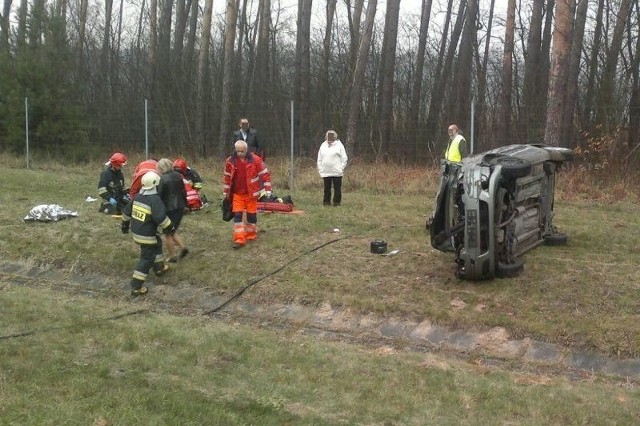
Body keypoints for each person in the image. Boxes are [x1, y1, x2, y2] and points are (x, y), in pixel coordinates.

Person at [121, 171, 175, 297]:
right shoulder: (154, 200)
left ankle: (159, 268)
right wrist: (170, 228)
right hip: (146, 235)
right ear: (155, 185)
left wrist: (124, 226)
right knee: (146, 259)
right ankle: (136, 286)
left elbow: (126, 213)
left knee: (157, 243)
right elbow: (161, 218)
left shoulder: (138, 197)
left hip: (138, 232)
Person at [223, 140, 272, 249]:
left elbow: (265, 174)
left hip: (251, 194)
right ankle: (239, 239)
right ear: (235, 150)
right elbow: (227, 177)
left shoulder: (256, 160)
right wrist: (226, 192)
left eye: (242, 151)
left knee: (251, 216)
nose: (240, 153)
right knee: (238, 216)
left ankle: (251, 235)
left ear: (247, 149)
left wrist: (268, 188)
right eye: (238, 151)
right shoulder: (230, 161)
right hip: (237, 194)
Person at [157, 158, 189, 263]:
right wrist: (186, 205)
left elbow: (159, 195)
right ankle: (183, 248)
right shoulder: (178, 176)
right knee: (172, 230)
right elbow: (184, 192)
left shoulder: (163, 179)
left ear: (161, 168)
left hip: (169, 209)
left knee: (167, 233)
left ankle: (172, 256)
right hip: (180, 207)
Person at [316, 130, 348, 206]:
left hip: (337, 172)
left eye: (331, 136)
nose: (329, 138)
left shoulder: (339, 145)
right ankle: (326, 202)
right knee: (326, 189)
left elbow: (344, 158)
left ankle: (336, 203)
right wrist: (320, 169)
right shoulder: (323, 145)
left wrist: (341, 168)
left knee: (337, 188)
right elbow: (319, 159)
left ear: (334, 137)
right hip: (326, 172)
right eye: (328, 136)